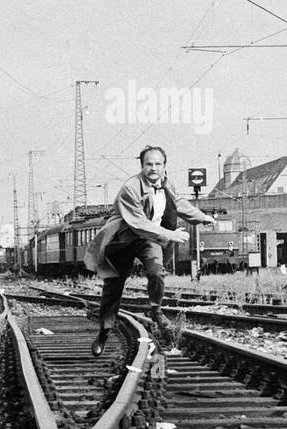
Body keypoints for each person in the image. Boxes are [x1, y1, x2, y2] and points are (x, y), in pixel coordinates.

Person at [84, 145, 214, 356]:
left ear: (164, 166)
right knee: (113, 287)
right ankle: (104, 332)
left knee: (156, 271)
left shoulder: (166, 183)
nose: (153, 168)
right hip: (124, 239)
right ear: (142, 166)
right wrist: (169, 234)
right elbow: (137, 223)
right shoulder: (131, 187)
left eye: (158, 164)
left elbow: (177, 203)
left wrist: (201, 217)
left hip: (149, 239)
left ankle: (155, 309)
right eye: (149, 164)